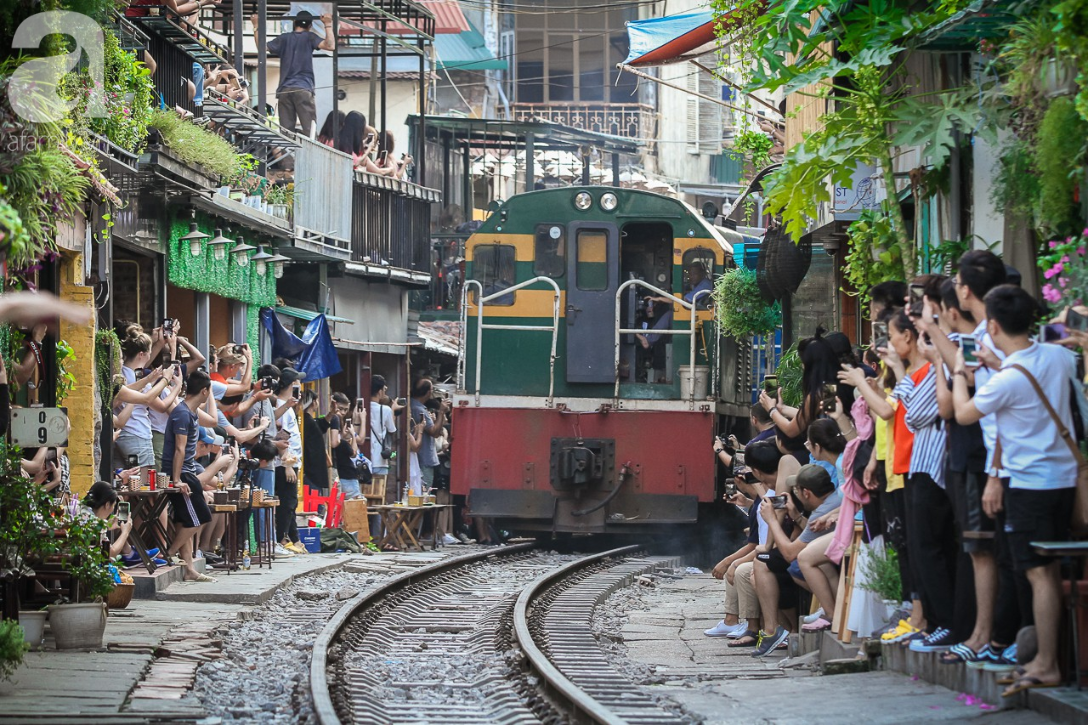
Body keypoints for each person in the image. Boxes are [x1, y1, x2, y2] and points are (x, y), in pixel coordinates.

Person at [953, 284, 1087, 697]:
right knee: (1052, 570)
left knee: (1039, 572)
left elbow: (962, 414)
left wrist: (961, 373)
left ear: (991, 324)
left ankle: (1046, 662)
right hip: (1067, 478)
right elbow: (1036, 367)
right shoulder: (1061, 357)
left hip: (1029, 484)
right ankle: (1046, 657)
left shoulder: (1004, 381)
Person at [752, 463, 843, 657]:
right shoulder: (835, 498)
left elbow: (790, 553)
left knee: (763, 561)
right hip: (832, 554)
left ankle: (772, 630)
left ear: (807, 493)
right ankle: (830, 610)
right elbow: (811, 533)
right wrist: (797, 516)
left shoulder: (820, 512)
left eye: (797, 490)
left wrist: (772, 521)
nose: (796, 495)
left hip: (831, 555)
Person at [705, 441, 783, 645]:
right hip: (769, 548)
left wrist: (731, 561)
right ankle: (732, 620)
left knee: (739, 568)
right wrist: (747, 503)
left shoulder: (771, 495)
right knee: (736, 564)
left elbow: (759, 542)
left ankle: (752, 628)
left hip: (774, 551)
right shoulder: (762, 498)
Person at [162, 370, 216, 583]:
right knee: (200, 517)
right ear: (204, 391)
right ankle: (170, 552)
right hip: (181, 471)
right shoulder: (182, 413)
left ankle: (189, 569)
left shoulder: (190, 412)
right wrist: (177, 480)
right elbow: (179, 449)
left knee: (186, 519)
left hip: (186, 470)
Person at [252, 10, 335, 136]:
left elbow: (261, 48)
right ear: (310, 26)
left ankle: (287, 156)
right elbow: (330, 46)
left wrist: (256, 26)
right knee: (310, 130)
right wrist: (328, 24)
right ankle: (311, 155)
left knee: (286, 133)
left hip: (285, 90)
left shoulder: (284, 38)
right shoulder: (310, 37)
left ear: (294, 22)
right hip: (303, 88)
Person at [273, 375, 307, 556]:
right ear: (291, 384)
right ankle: (282, 539)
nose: (300, 387)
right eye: (297, 383)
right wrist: (286, 464)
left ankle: (294, 539)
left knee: (291, 503)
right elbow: (281, 436)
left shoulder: (289, 407)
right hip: (285, 463)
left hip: (291, 462)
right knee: (287, 502)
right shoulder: (281, 405)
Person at [327, 393, 365, 499]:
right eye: (340, 409)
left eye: (345, 410)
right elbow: (336, 443)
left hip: (338, 470)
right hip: (343, 472)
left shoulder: (335, 420)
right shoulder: (334, 418)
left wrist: (343, 436)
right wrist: (351, 435)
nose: (343, 413)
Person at [369, 375, 401, 499]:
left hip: (363, 459)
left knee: (364, 496)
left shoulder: (361, 407)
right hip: (380, 459)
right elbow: (391, 429)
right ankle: (377, 519)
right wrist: (393, 410)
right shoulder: (385, 409)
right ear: (380, 391)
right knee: (379, 497)